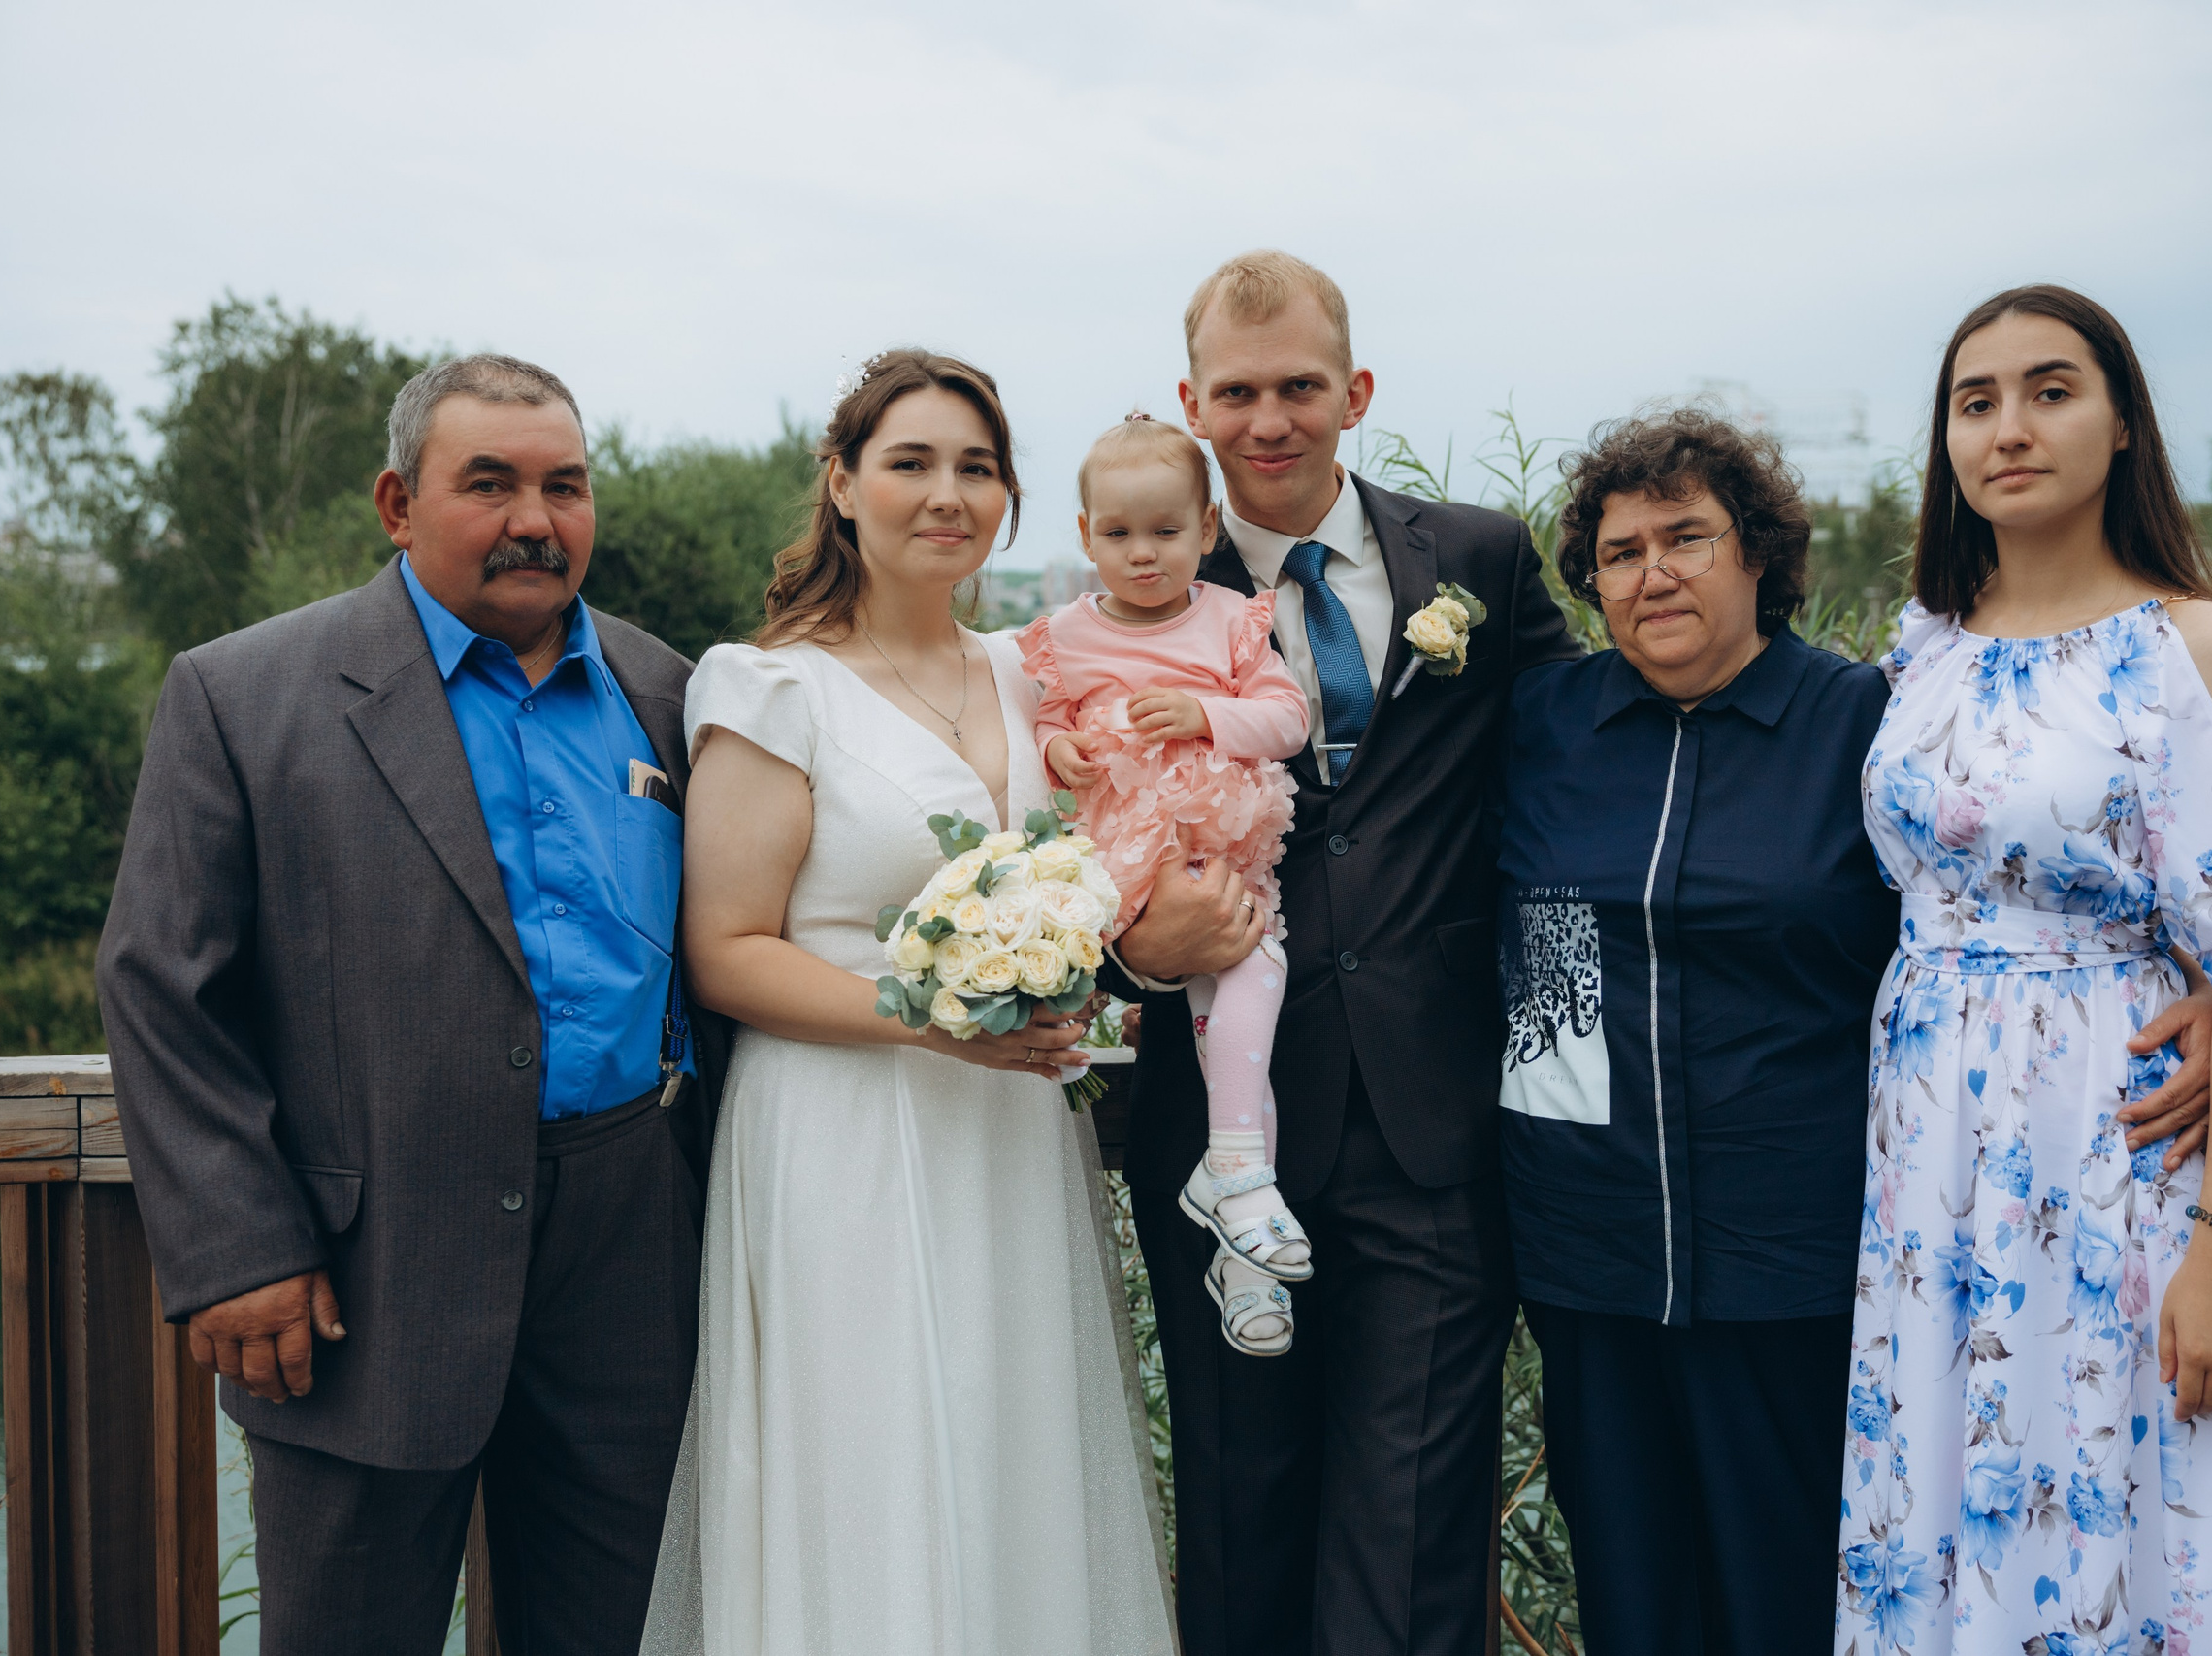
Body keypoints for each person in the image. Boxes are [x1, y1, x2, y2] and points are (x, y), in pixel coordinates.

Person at [1494, 410, 2212, 1656]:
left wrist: (2201, 976)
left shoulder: (1867, 726)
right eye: (1619, 553)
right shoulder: (1540, 726)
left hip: (1797, 1255)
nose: (1653, 572)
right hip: (1586, 1258)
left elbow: (2034, 867)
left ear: (1760, 557)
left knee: (1785, 1601)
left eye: (1687, 538)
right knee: (1631, 1605)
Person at [98, 354, 728, 1656]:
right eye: (487, 483)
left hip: (628, 1256)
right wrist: (237, 1244)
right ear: (397, 501)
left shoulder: (670, 693)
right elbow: (163, 983)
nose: (535, 519)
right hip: (356, 1269)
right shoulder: (244, 693)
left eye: (564, 485)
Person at [638, 349, 1174, 1655]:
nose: (950, 493)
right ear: (841, 482)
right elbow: (724, 948)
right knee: (868, 1465)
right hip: (843, 1134)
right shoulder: (772, 686)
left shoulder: (1030, 672)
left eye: (978, 467)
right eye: (913, 462)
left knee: (1016, 1452)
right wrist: (929, 1019)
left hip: (1010, 1134)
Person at [1107, 248, 1577, 1656]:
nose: (1270, 420)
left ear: (1354, 390)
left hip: (1437, 1121)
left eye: (1300, 386)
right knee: (1244, 1517)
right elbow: (1076, 838)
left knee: (1419, 1520)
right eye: (1238, 392)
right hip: (1223, 1131)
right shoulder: (1138, 588)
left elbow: (1576, 766)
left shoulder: (1481, 559)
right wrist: (1136, 953)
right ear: (1193, 402)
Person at [1837, 285, 2212, 1654]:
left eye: (2051, 390)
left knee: (2120, 1479)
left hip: (2109, 1141)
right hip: (1929, 1161)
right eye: (1975, 401)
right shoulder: (1920, 646)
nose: (2010, 427)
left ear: (2121, 424)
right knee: (1944, 1481)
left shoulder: (2191, 646)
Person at [1022, 413, 1313, 1356]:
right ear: (1083, 535)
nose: (1143, 555)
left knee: (1242, 1013)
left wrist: (1205, 711)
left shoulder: (1230, 620)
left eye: (1166, 532)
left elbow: (1288, 721)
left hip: (1222, 851)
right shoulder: (1061, 637)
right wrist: (1059, 744)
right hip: (1132, 870)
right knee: (1230, 1017)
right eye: (1118, 534)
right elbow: (1045, 731)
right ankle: (1240, 1199)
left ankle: (1242, 1226)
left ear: (1205, 528)